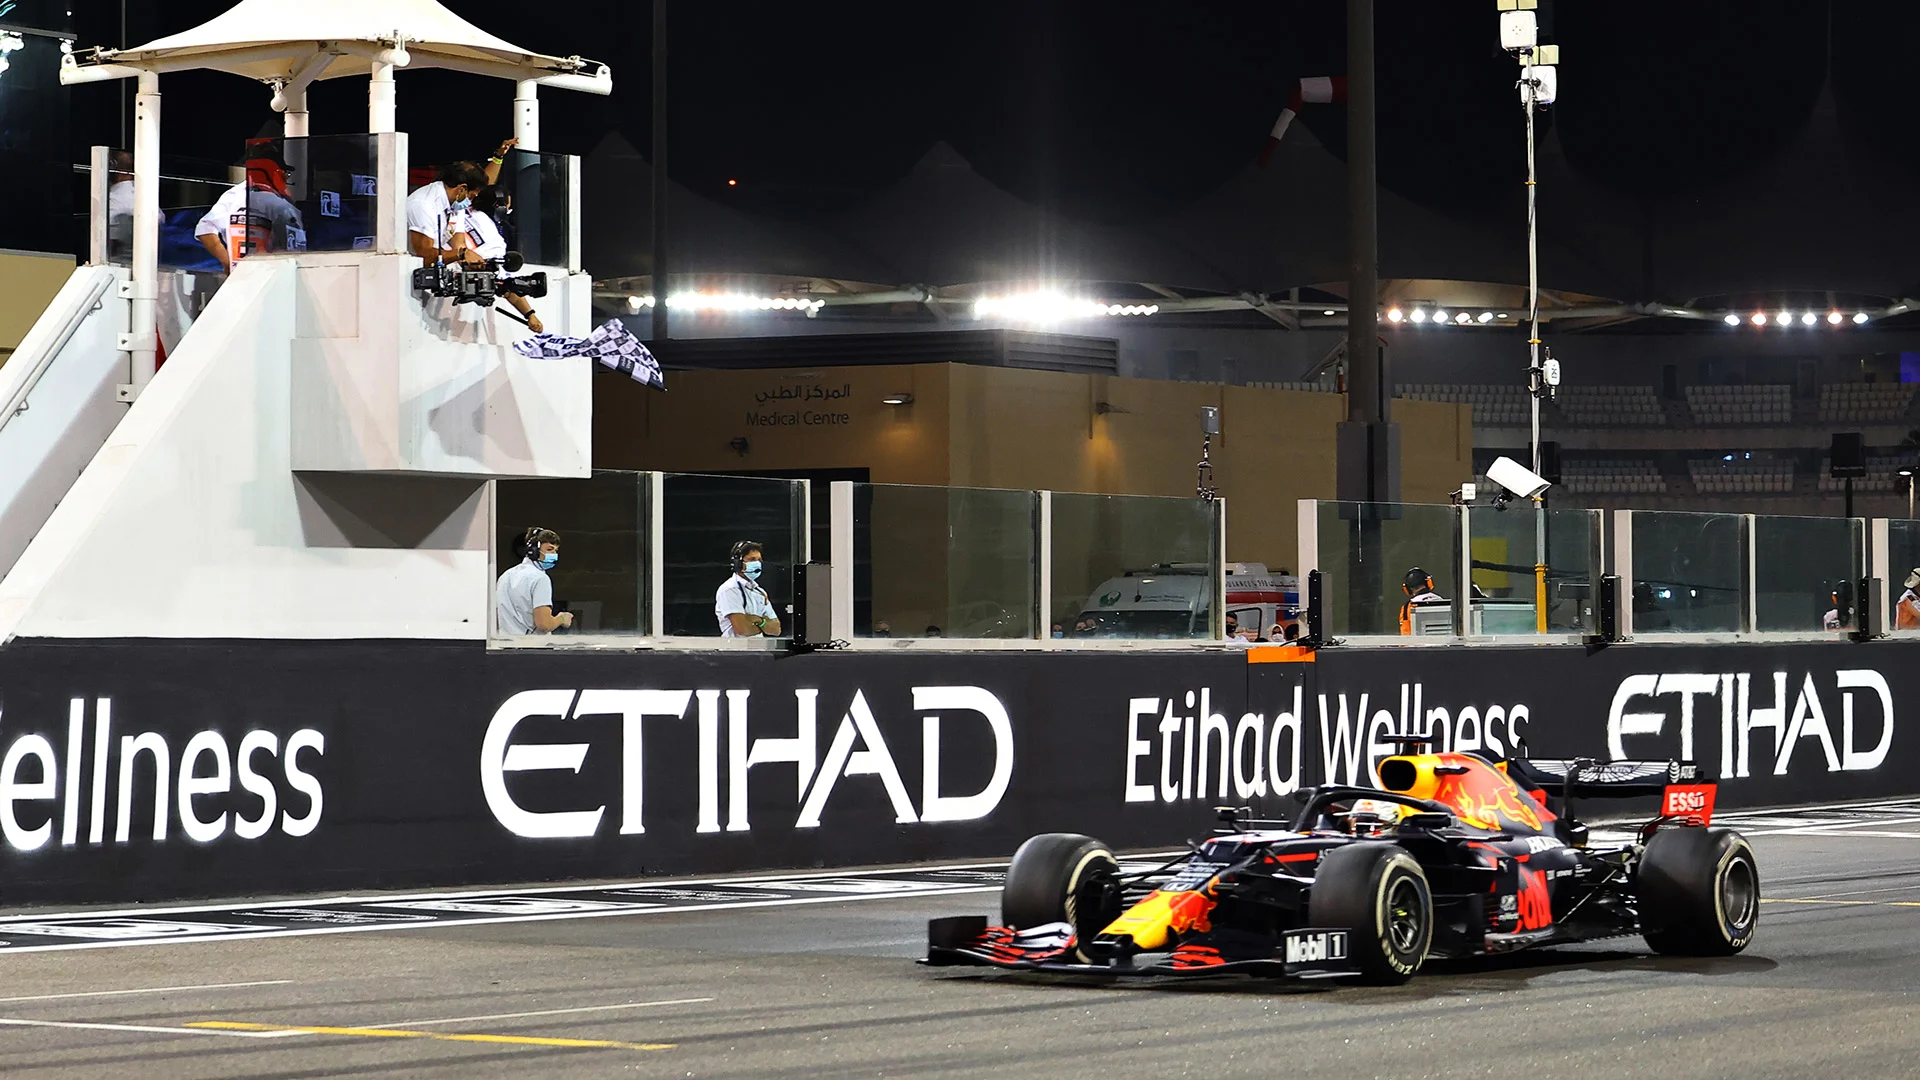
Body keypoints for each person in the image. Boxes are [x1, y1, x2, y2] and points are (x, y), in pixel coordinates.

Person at [194, 155, 305, 272]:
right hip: (270, 273)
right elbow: (296, 252)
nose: (286, 179)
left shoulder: (234, 196)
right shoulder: (280, 204)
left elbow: (205, 229)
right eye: (285, 174)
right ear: (276, 173)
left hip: (241, 274)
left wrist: (228, 263)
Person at [406, 160, 489, 268]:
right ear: (462, 189)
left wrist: (473, 262)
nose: (470, 202)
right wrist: (461, 254)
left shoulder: (457, 202)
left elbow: (459, 244)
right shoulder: (423, 204)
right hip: (406, 270)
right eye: (472, 196)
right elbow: (424, 256)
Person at [496, 527, 572, 634]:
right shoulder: (540, 579)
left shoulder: (505, 576)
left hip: (505, 641)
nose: (554, 555)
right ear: (534, 551)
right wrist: (562, 618)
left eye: (555, 551)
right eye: (549, 549)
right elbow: (544, 624)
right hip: (531, 643)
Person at [716, 541, 781, 637]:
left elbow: (776, 629)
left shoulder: (760, 592)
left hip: (759, 646)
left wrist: (760, 621)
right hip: (736, 646)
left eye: (759, 560)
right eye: (752, 559)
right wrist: (764, 625)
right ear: (738, 563)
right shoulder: (729, 589)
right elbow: (742, 629)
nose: (757, 563)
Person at [1398, 567, 1446, 635]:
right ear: (1428, 582)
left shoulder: (1408, 606)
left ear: (1407, 589)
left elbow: (1406, 635)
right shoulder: (1441, 600)